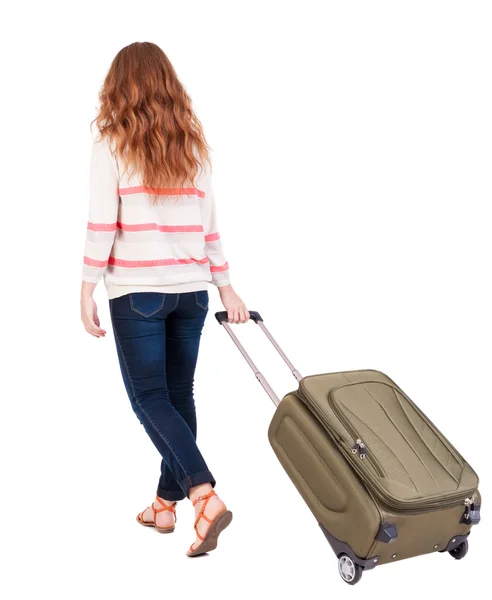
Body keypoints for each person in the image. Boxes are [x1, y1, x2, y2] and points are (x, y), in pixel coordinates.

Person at [80, 41, 249, 557]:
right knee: (179, 397)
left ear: (119, 85)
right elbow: (211, 227)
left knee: (150, 398)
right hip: (190, 295)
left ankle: (203, 494)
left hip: (137, 295)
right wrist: (224, 285)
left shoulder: (112, 143)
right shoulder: (191, 146)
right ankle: (164, 504)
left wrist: (85, 287)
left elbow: (102, 224)